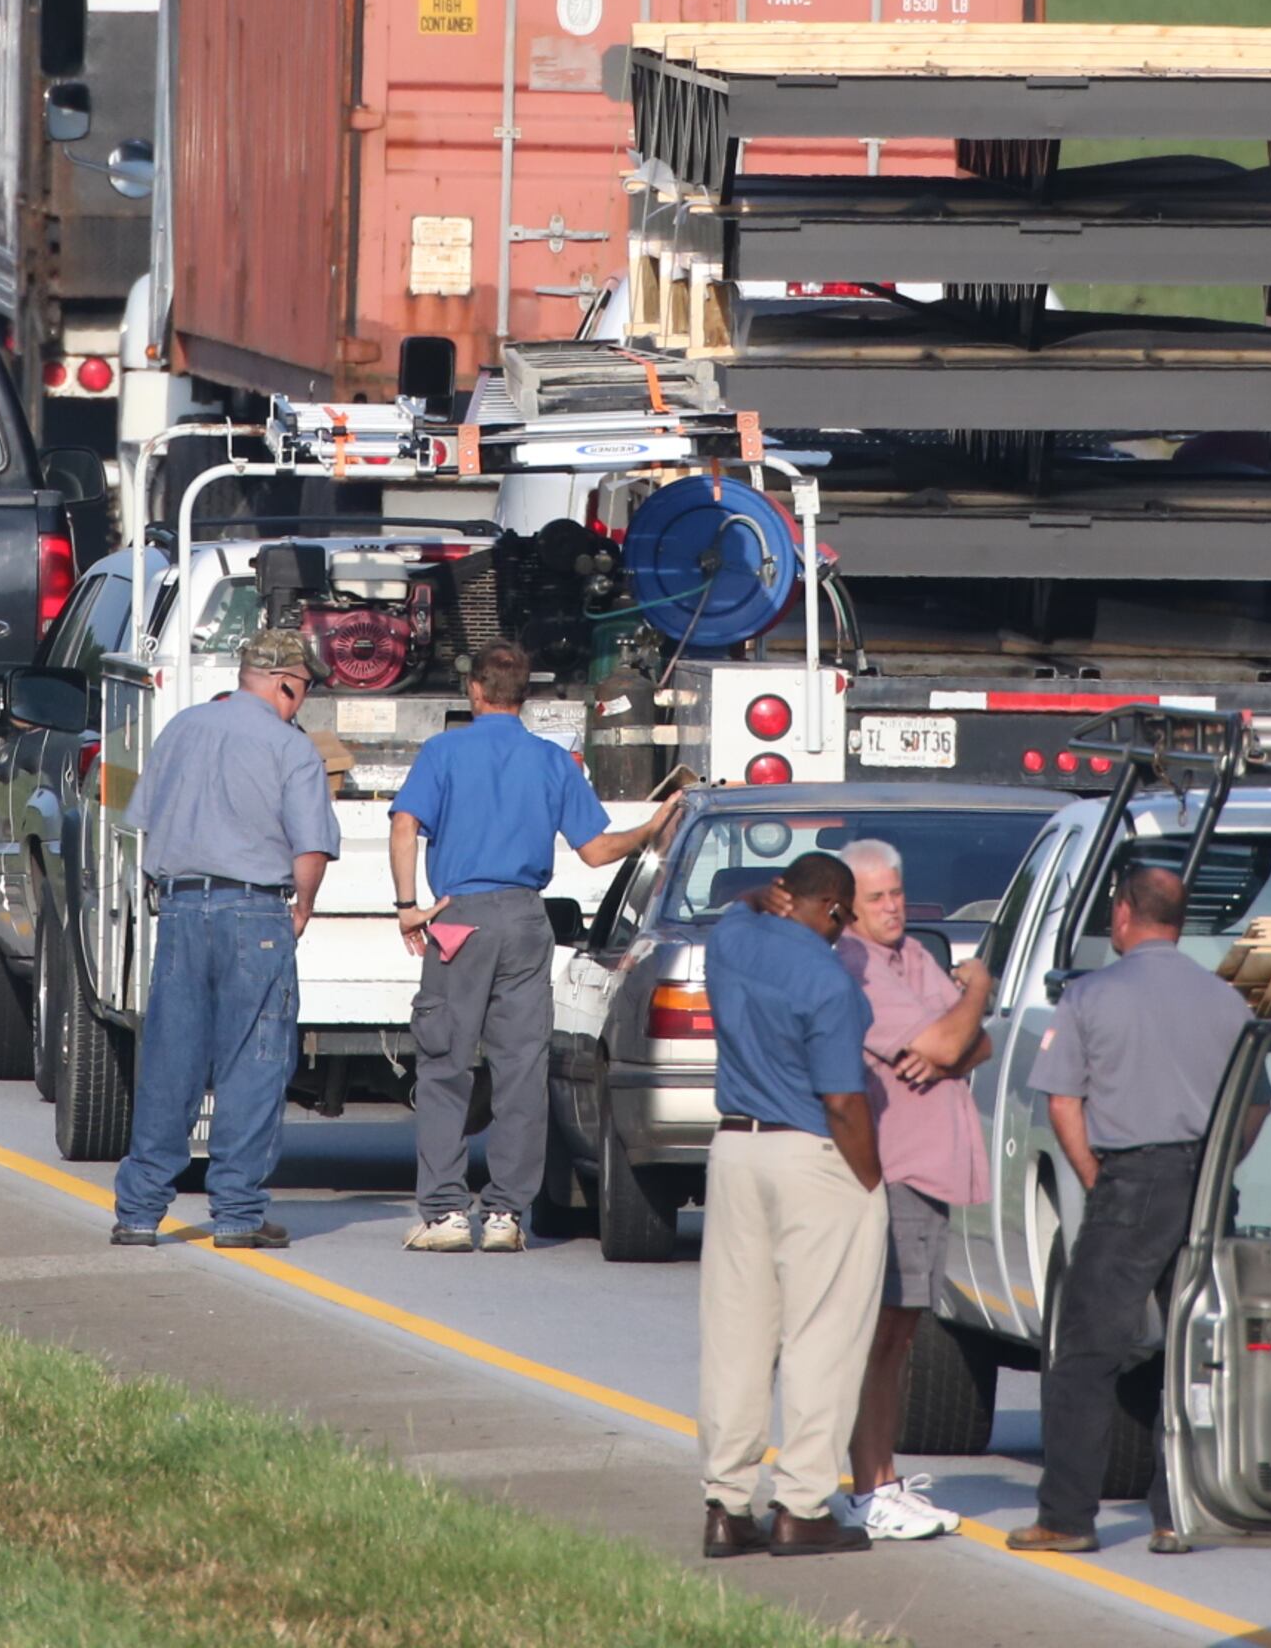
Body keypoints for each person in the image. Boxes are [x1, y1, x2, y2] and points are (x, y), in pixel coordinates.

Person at [389, 642, 680, 1252]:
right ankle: (504, 1217)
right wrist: (653, 827)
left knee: (445, 1066)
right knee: (520, 1068)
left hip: (456, 919)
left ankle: (444, 1215)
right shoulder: (552, 761)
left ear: (474, 690)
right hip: (526, 919)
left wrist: (406, 904)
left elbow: (405, 824)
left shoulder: (442, 751)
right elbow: (597, 850)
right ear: (526, 696)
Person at [1006, 860, 1253, 1555]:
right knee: (1193, 1352)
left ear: (1121, 913)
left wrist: (1095, 1177)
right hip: (1205, 1185)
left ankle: (1066, 1517)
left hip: (1130, 1183)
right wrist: (1216, 1171)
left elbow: (1062, 1102)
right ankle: (1179, 1512)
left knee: (1086, 1355)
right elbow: (1257, 1107)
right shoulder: (1227, 1001)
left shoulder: (1089, 997)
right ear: (1178, 922)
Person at [108, 627, 337, 1252]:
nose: (302, 702)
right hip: (254, 912)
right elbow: (310, 847)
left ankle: (138, 1212)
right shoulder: (291, 748)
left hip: (180, 910)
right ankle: (237, 1215)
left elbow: (142, 819)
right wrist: (304, 905)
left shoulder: (181, 728)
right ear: (286, 684)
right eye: (304, 690)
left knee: (170, 1061)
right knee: (253, 1064)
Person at [695, 849, 884, 1561]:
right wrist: (869, 1179)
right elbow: (842, 1099)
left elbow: (736, 907)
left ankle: (726, 1502)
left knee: (735, 1337)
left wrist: (756, 893)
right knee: (820, 1335)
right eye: (846, 915)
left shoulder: (732, 939)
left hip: (735, 1148)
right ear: (833, 908)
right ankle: (802, 1506)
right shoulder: (830, 982)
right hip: (809, 1154)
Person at [833, 838, 991, 1541]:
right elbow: (954, 1040)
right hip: (893, 1166)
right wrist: (978, 990)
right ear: (848, 907)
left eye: (898, 893)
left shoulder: (913, 958)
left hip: (929, 1169)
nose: (894, 907)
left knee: (900, 1334)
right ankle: (868, 1485)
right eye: (877, 898)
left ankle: (882, 1480)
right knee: (882, 1332)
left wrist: (957, 1031)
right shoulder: (855, 965)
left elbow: (968, 1044)